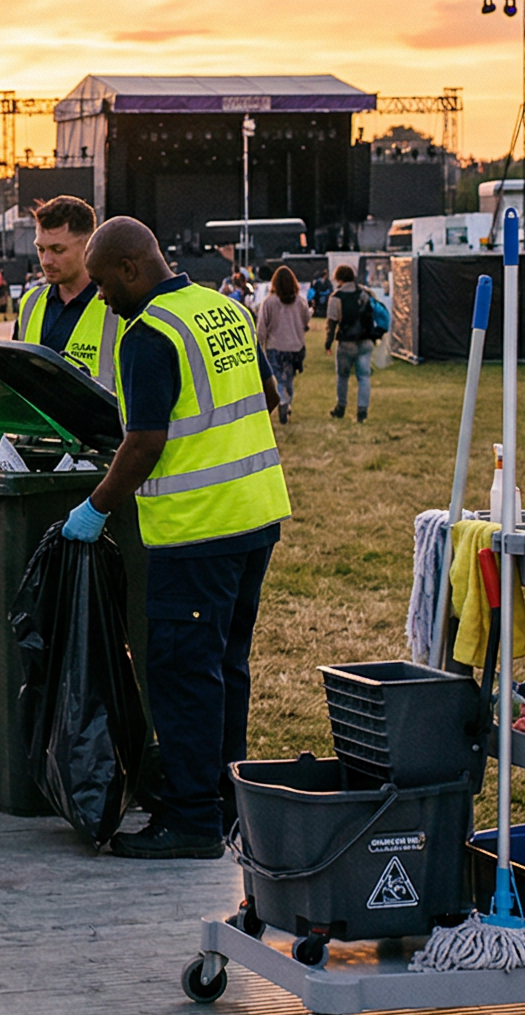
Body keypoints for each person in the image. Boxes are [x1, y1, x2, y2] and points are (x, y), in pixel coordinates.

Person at [58, 218, 289, 859]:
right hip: (256, 516)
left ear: (131, 269)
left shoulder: (147, 333)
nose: (101, 298)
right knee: (224, 668)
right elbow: (266, 396)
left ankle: (190, 821)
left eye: (104, 285)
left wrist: (95, 508)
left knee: (184, 676)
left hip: (197, 529)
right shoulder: (224, 308)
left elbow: (146, 440)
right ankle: (223, 800)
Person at [14, 195, 123, 390]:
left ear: (89, 246)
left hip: (98, 420)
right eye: (41, 249)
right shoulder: (30, 302)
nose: (46, 260)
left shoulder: (120, 306)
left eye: (58, 250)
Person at [325, 263, 379, 422]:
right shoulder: (364, 294)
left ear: (338, 278)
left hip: (346, 342)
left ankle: (340, 407)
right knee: (364, 377)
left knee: (342, 376)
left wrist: (328, 343)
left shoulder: (336, 297)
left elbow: (332, 323)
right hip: (365, 340)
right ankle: (362, 411)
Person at [256, 265, 309, 423]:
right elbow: (306, 320)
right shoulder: (300, 301)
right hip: (295, 347)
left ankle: (282, 402)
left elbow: (261, 327)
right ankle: (288, 402)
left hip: (275, 347)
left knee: (277, 378)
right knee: (289, 379)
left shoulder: (269, 302)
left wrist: (259, 344)